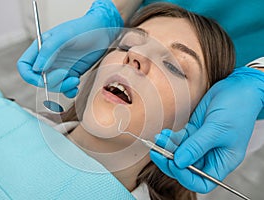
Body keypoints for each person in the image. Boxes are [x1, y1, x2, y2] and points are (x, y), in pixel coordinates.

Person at [17, 0, 264, 194]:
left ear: (195, 122)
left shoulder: (229, 114)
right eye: (126, 45)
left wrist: (259, 79)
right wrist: (111, 9)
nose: (135, 56)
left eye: (174, 67)